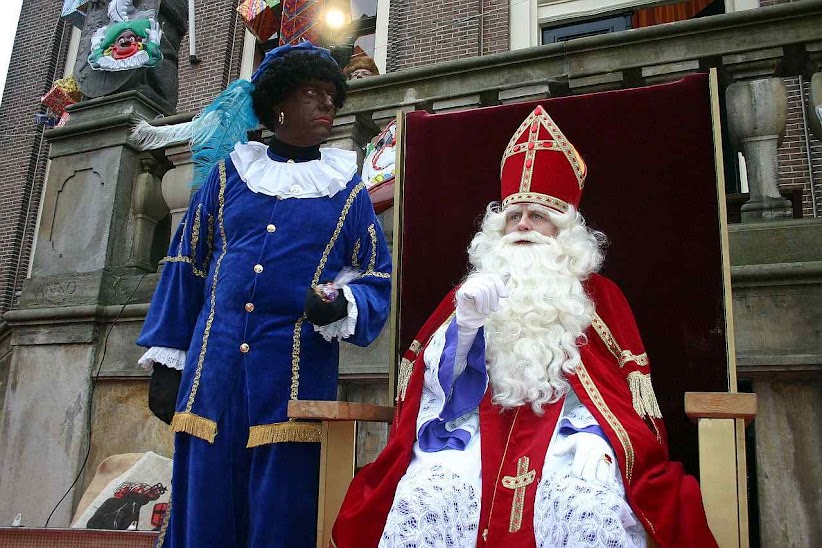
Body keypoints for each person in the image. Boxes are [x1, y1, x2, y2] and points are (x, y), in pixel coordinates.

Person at [331, 106, 717, 547]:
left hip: (566, 442)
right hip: (471, 437)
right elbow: (431, 391)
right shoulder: (470, 292)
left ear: (566, 231)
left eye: (537, 216)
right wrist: (466, 325)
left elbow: (617, 392)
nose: (523, 226)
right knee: (424, 499)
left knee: (590, 506)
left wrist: (597, 437)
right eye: (514, 217)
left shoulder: (599, 296)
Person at [136, 42, 391, 547]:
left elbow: (375, 274)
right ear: (279, 105)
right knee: (204, 510)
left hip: (293, 381)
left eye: (330, 95)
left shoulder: (346, 188)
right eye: (311, 94)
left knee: (282, 516)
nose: (327, 106)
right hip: (213, 374)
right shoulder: (231, 174)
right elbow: (187, 261)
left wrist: (344, 304)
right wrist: (168, 361)